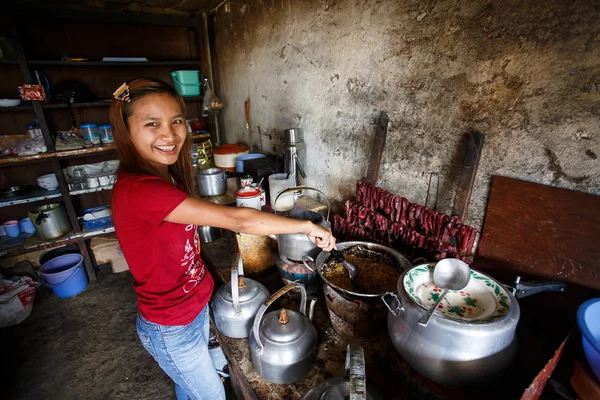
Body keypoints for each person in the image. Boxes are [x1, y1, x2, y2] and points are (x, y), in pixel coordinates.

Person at [109, 77, 336, 400]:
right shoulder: (139, 190)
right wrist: (304, 227)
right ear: (125, 129)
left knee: (192, 386)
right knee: (212, 395)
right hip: (171, 326)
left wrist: (271, 227)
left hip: (193, 308)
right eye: (151, 124)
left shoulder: (161, 175)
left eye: (176, 121)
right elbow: (238, 219)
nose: (169, 135)